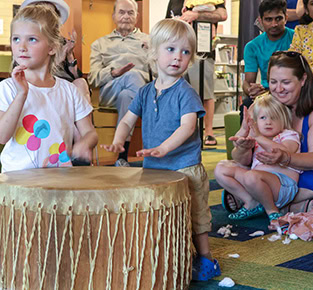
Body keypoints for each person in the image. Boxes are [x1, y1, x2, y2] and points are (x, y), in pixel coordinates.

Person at [0, 4, 98, 256]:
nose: (21, 46)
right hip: (19, 179)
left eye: (32, 39)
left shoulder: (69, 91)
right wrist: (22, 94)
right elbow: (0, 136)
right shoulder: (8, 88)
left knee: (58, 238)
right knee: (22, 238)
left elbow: (90, 132)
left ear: (52, 47)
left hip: (59, 179)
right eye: (16, 39)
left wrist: (85, 143)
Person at [102, 18, 220, 281]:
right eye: (170, 49)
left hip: (185, 167)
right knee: (163, 215)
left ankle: (206, 258)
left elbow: (187, 127)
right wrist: (119, 142)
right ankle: (173, 254)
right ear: (153, 52)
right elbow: (127, 120)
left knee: (197, 216)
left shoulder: (185, 92)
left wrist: (164, 148)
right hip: (155, 170)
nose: (178, 57)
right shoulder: (145, 92)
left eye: (185, 52)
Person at [216, 51, 313, 215]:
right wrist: (243, 148)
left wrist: (285, 158)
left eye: (285, 82)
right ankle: (288, 206)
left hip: (306, 175)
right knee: (228, 167)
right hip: (264, 173)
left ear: (303, 79)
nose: (278, 89)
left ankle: (259, 200)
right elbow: (241, 160)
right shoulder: (262, 105)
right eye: (273, 82)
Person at [215, 94, 301, 225]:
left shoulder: (288, 134)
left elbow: (287, 150)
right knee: (221, 169)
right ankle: (251, 201)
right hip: (255, 183)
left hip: (283, 186)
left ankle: (272, 211)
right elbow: (237, 144)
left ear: (283, 119)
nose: (268, 122)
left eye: (274, 117)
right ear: (256, 121)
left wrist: (259, 137)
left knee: (251, 176)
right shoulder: (256, 136)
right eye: (263, 117)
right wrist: (244, 129)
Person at [88, 0, 150, 166]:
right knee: (131, 77)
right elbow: (92, 79)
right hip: (110, 90)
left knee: (127, 95)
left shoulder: (149, 41)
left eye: (130, 12)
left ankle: (121, 155)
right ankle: (154, 131)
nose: (126, 16)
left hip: (138, 89)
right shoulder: (100, 44)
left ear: (136, 16)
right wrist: (114, 73)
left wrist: (149, 55)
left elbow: (159, 73)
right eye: (122, 12)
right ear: (114, 16)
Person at [167, 0, 227, 146]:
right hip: (178, 50)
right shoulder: (175, 1)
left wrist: (196, 14)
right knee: (180, 92)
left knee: (206, 92)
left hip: (203, 50)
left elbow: (222, 14)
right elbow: (168, 21)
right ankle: (184, 131)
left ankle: (209, 132)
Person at [21, 0, 91, 102]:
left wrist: (70, 55)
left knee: (81, 83)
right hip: (40, 85)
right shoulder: (26, 41)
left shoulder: (62, 42)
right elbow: (28, 73)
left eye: (51, 14)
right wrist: (60, 58)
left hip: (65, 85)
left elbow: (76, 76)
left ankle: (84, 118)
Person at [241, 0, 295, 119]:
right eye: (268, 19)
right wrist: (250, 90)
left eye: (278, 18)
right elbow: (248, 81)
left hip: (293, 91)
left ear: (286, 18)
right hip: (267, 92)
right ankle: (246, 137)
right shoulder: (252, 46)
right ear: (260, 20)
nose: (274, 24)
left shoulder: (297, 38)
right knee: (246, 106)